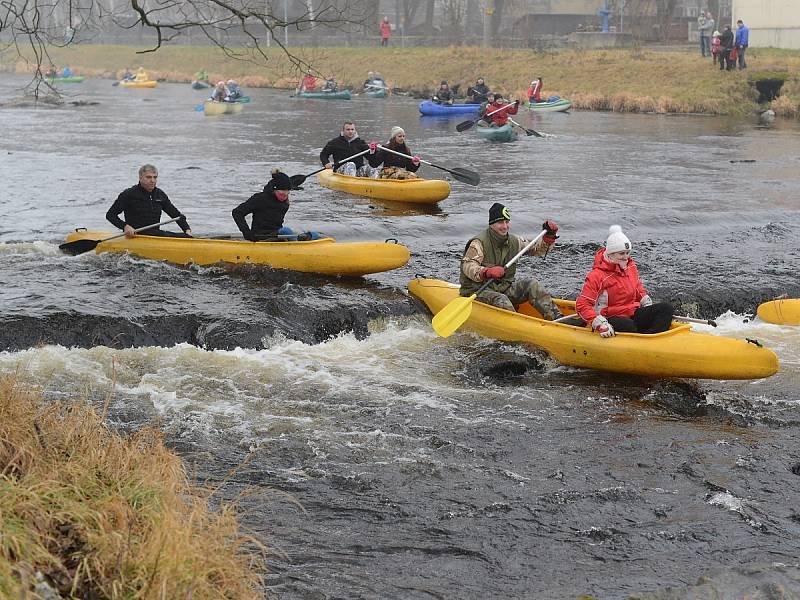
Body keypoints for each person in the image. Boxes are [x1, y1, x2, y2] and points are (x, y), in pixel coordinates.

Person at [460, 203, 561, 319]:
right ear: (491, 224)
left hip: (502, 289)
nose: (505, 226)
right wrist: (486, 272)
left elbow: (536, 249)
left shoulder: (515, 241)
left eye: (507, 222)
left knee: (532, 284)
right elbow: (467, 265)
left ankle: (557, 318)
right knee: (501, 299)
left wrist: (548, 239)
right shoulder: (479, 243)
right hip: (477, 291)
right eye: (500, 223)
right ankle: (517, 326)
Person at [576, 225, 674, 337]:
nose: (626, 257)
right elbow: (582, 305)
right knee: (628, 326)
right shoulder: (597, 275)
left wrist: (644, 299)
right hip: (609, 317)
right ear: (610, 254)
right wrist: (599, 323)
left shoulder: (630, 266)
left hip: (631, 311)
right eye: (621, 253)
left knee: (666, 308)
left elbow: (637, 287)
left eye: (627, 252)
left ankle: (654, 340)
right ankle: (643, 343)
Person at [106, 164, 192, 238]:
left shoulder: (160, 195)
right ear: (140, 178)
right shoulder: (129, 194)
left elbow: (176, 215)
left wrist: (187, 229)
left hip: (155, 236)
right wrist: (125, 227)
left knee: (185, 236)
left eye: (155, 177)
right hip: (136, 235)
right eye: (148, 177)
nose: (152, 181)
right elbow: (110, 215)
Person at [232, 169, 304, 242]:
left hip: (277, 235)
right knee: (286, 231)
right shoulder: (260, 198)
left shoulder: (285, 202)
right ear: (274, 189)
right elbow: (237, 212)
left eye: (287, 191)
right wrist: (247, 233)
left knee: (314, 234)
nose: (285, 194)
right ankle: (297, 247)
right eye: (282, 191)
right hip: (260, 236)